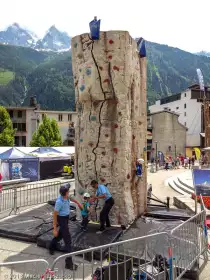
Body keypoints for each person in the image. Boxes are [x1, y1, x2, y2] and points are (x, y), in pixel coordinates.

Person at [49, 183, 78, 271]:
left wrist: (78, 203)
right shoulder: (59, 202)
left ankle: (51, 246)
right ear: (65, 193)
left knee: (60, 235)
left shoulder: (66, 197)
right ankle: (68, 264)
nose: (69, 191)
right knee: (68, 241)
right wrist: (54, 229)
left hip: (66, 218)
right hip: (61, 219)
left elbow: (70, 198)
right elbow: (54, 216)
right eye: (68, 191)